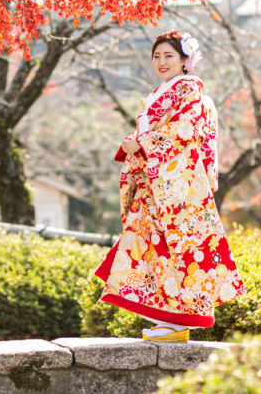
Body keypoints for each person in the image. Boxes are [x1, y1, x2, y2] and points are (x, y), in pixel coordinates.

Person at [93, 30, 246, 343]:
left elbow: (183, 130)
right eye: (157, 56)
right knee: (151, 248)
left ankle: (178, 320)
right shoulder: (164, 92)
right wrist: (136, 145)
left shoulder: (190, 92)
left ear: (185, 60)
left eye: (169, 56)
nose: (161, 62)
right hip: (158, 183)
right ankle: (166, 319)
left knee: (178, 250)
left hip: (178, 187)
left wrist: (141, 143)